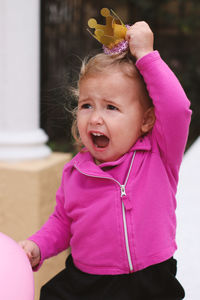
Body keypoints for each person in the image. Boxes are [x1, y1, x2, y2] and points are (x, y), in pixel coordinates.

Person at [19, 21, 191, 299]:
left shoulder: (160, 154)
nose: (95, 117)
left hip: (150, 281)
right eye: (87, 105)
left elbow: (178, 108)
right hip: (88, 283)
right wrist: (38, 246)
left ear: (146, 119)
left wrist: (147, 56)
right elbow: (62, 222)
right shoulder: (75, 172)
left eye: (111, 107)